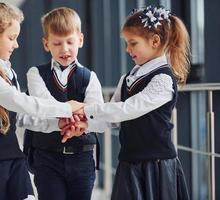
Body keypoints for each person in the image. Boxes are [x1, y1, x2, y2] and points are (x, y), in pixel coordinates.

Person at [0, 3, 83, 200]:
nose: (16, 44)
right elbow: (21, 102)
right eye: (11, 38)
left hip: (14, 158)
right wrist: (65, 108)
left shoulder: (8, 72)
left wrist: (57, 123)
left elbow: (21, 116)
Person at [62, 5, 190, 200]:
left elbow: (127, 110)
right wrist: (85, 124)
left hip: (155, 166)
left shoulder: (163, 79)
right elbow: (112, 119)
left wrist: (84, 108)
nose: (127, 49)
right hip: (129, 162)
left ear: (155, 41)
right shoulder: (128, 77)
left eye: (133, 43)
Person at [21, 7, 104, 200]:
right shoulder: (36, 74)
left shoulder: (90, 78)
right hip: (47, 157)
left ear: (81, 40)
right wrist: (74, 114)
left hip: (82, 158)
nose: (64, 49)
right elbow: (44, 105)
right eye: (57, 43)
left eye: (70, 42)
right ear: (46, 44)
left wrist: (80, 127)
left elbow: (97, 115)